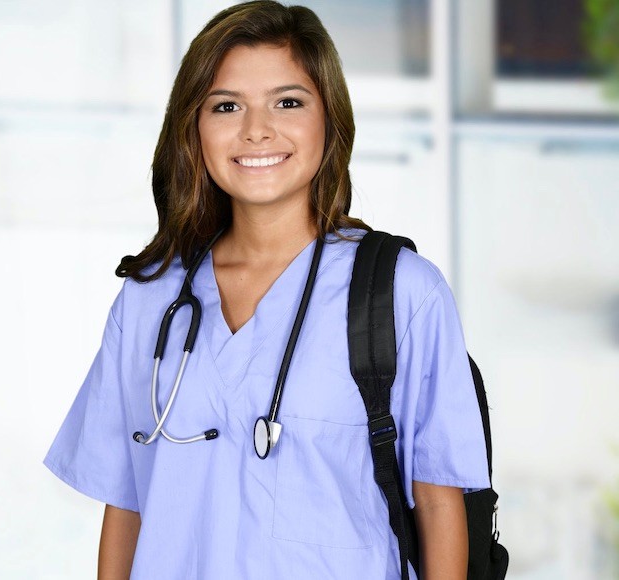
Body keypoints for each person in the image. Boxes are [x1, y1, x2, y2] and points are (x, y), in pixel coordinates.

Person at [43, 2, 490, 578]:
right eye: (226, 106)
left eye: (288, 102)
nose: (257, 129)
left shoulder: (403, 294)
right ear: (193, 127)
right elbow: (127, 505)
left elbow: (437, 502)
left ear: (329, 119)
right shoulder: (150, 298)